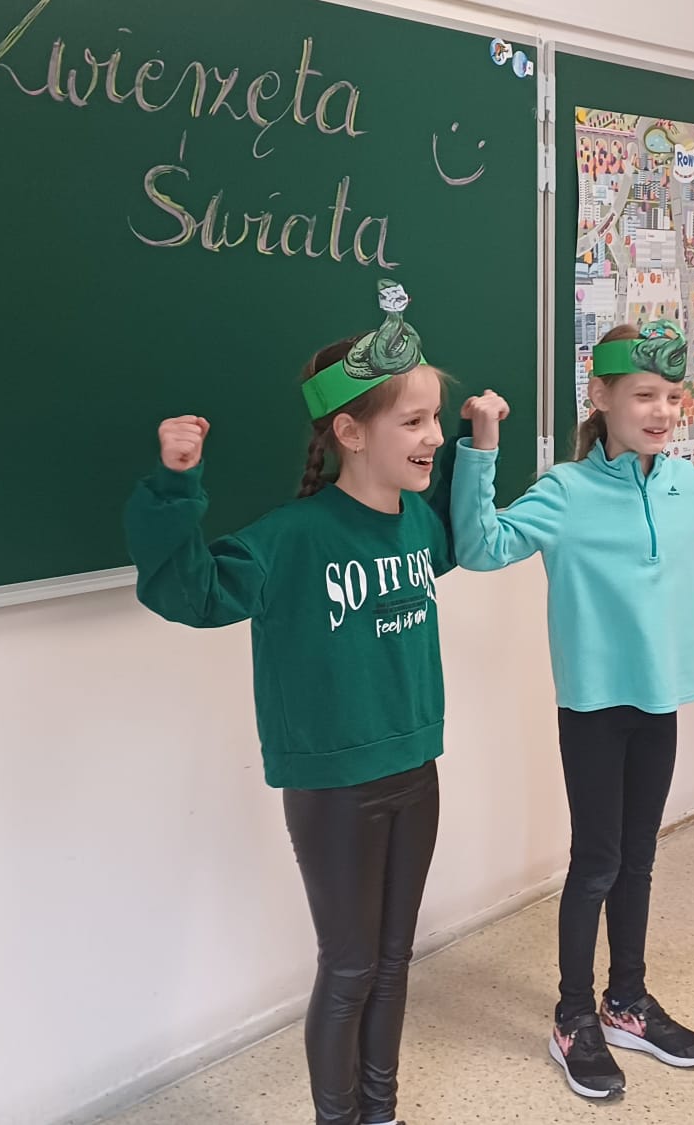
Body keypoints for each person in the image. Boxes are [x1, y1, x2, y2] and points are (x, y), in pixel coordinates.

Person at [450, 319, 694, 1099]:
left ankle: (627, 1001)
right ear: (601, 395)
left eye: (673, 398)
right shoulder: (564, 491)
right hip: (592, 706)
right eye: (645, 395)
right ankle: (573, 1015)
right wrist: (480, 448)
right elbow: (482, 547)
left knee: (640, 856)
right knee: (597, 861)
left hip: (659, 701)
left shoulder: (688, 487)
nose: (662, 411)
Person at [123, 280, 452, 1125]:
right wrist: (175, 485)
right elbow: (189, 591)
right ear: (350, 433)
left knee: (394, 959)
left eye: (436, 419)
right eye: (414, 420)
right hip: (335, 786)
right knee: (349, 967)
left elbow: (469, 533)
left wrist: (483, 447)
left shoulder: (421, 524)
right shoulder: (289, 538)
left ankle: (380, 1111)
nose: (434, 436)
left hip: (417, 770)